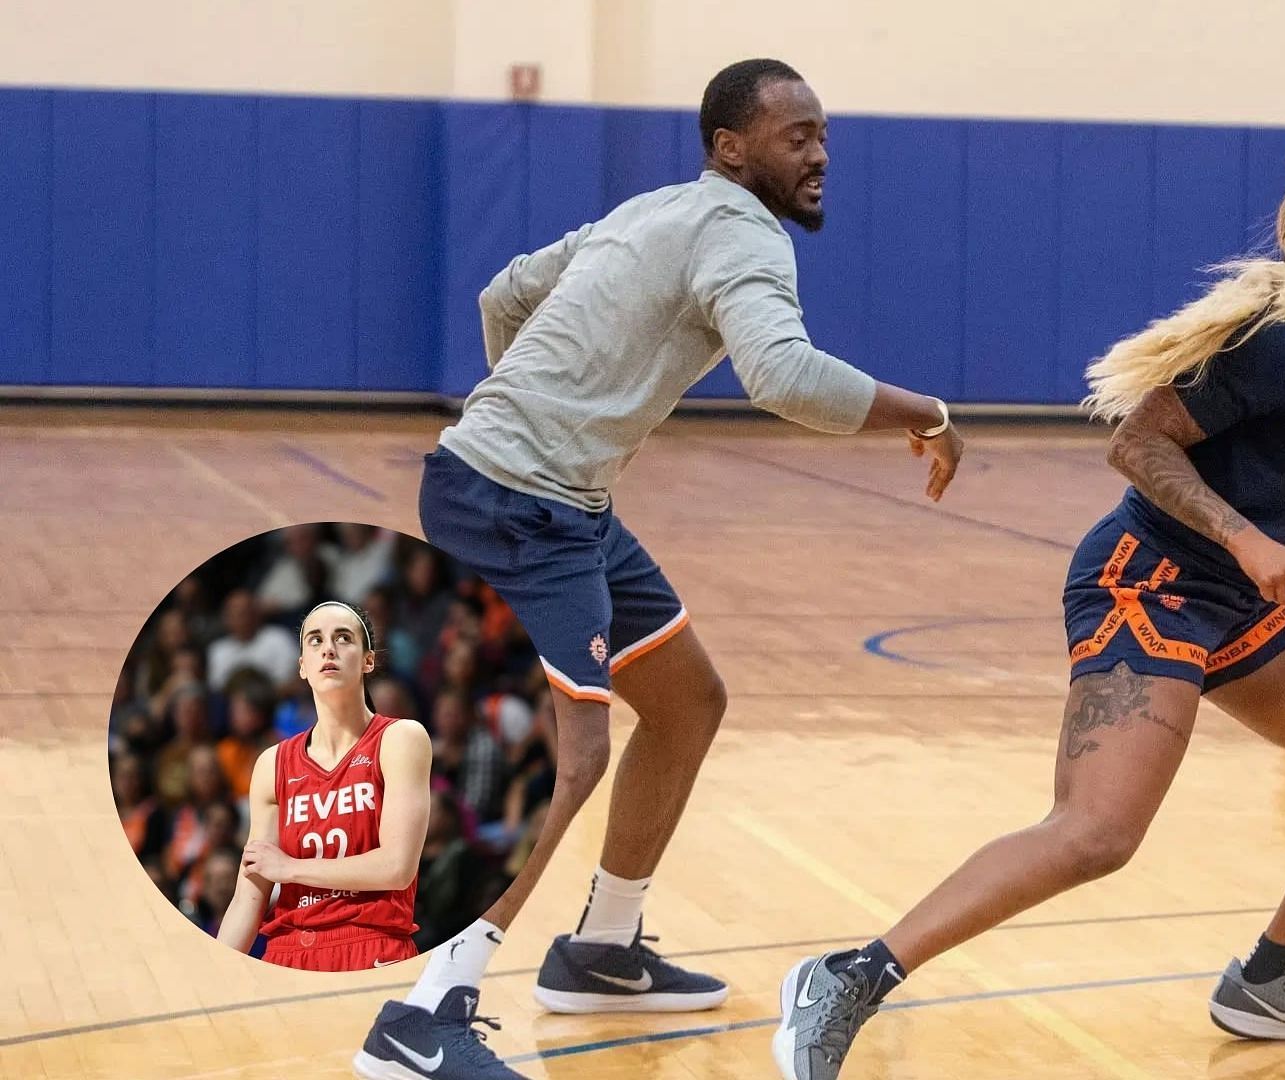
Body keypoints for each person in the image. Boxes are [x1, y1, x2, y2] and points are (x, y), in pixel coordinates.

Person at [773, 160, 1285, 1079]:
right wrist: (1244, 538)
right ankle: (848, 976)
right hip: (1144, 583)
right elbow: (1137, 441)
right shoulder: (1282, 340)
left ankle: (1269, 981)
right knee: (1095, 834)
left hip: (1241, 599)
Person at [351, 57, 965, 1080]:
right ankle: (426, 1011)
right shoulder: (738, 233)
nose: (818, 156)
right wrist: (927, 414)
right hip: (518, 507)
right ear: (732, 148)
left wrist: (539, 410)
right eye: (795, 136)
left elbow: (505, 293)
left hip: (555, 502)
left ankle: (600, 946)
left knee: (685, 702)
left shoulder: (653, 210)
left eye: (822, 135)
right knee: (572, 751)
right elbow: (783, 376)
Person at [216, 602, 431, 972]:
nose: (328, 648)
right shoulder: (272, 763)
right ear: (302, 666)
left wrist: (291, 868)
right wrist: (213, 974)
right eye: (315, 640)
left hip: (372, 943)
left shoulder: (400, 738)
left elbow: (396, 867)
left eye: (343, 638)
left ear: (368, 661)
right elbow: (247, 900)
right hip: (287, 952)